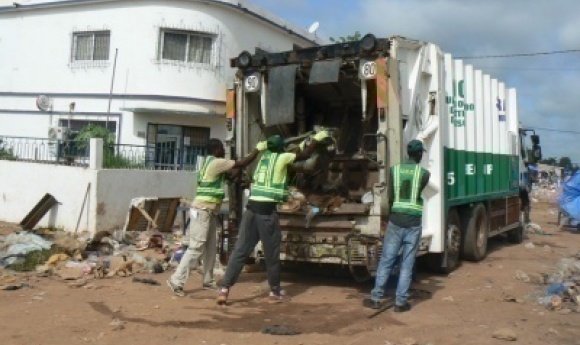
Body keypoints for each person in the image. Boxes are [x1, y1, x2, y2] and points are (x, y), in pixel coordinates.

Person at [216, 131, 329, 305]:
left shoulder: (264, 158)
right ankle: (275, 292)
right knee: (272, 252)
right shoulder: (282, 158)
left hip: (251, 209)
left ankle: (224, 289)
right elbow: (304, 156)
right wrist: (316, 139)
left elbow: (292, 152)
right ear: (281, 149)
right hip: (266, 213)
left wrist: (261, 148)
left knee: (240, 250)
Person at [166, 138, 262, 297]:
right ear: (216, 149)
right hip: (202, 210)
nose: (224, 151)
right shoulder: (216, 163)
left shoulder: (210, 163)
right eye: (222, 148)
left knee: (210, 247)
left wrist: (238, 169)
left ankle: (208, 280)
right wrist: (257, 150)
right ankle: (176, 280)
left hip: (209, 211)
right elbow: (242, 163)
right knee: (196, 247)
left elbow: (231, 177)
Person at [363, 139, 430, 312]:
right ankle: (401, 303)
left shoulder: (395, 171)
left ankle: (376, 298)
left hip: (396, 220)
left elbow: (391, 197)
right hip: (414, 223)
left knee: (386, 260)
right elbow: (418, 191)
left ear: (408, 154)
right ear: (420, 154)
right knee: (407, 263)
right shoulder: (424, 174)